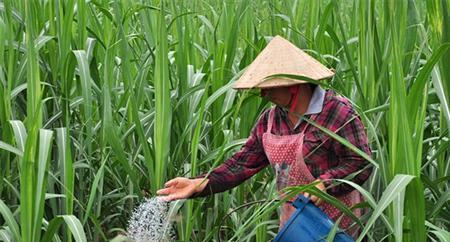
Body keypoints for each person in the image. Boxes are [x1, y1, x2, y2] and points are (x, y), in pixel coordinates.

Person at [156, 35, 372, 238]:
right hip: (296, 223)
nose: (263, 94)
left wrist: (325, 184)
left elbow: (361, 162)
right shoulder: (270, 121)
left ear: (294, 84)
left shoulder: (336, 112)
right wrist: (200, 183)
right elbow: (242, 164)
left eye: (269, 87)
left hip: (336, 223)